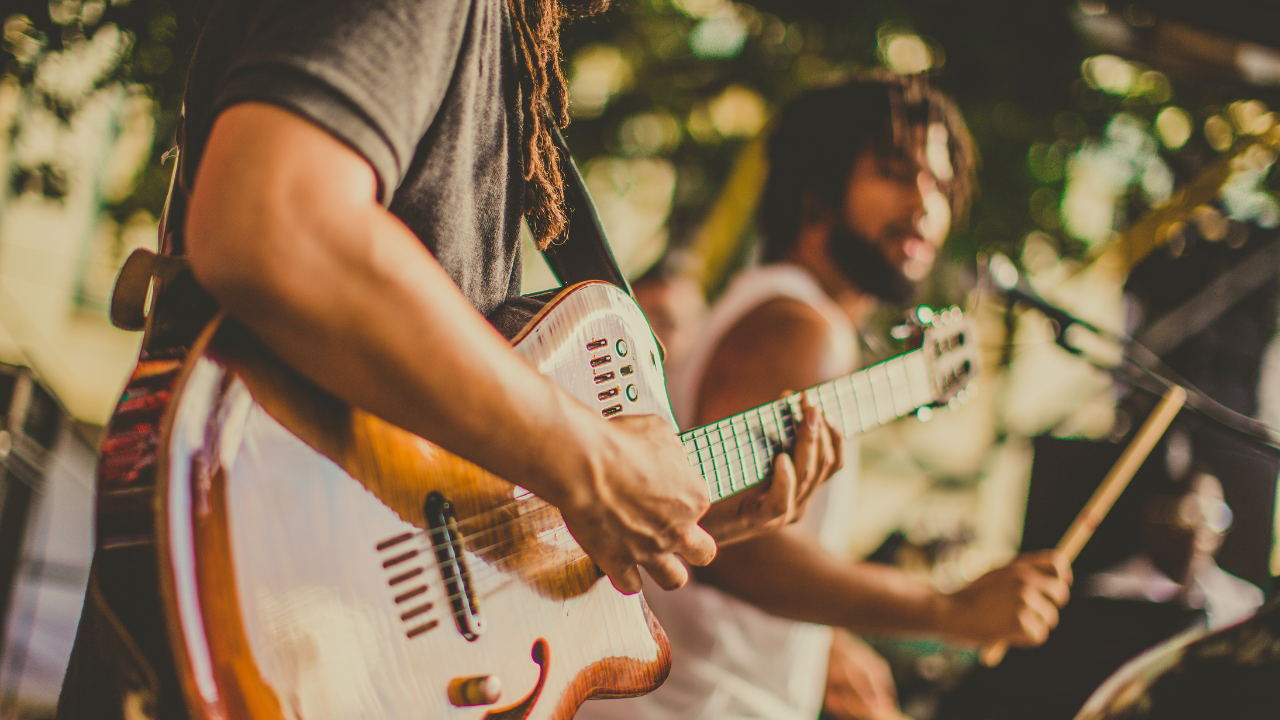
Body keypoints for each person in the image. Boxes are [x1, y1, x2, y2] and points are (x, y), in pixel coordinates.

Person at [56, 1, 842, 718]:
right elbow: (275, 218)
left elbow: (432, 450)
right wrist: (595, 462)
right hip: (270, 607)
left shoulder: (505, 38)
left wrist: (648, 508)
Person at [578, 74, 1073, 720]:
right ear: (816, 189)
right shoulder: (800, 324)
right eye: (896, 173)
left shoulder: (778, 307)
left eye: (940, 183)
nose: (926, 203)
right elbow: (738, 552)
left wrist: (827, 639)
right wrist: (949, 610)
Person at [940, 470, 1261, 720]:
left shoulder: (1246, 606)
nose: (1203, 527)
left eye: (1216, 515)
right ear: (1154, 516)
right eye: (1190, 511)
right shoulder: (1098, 595)